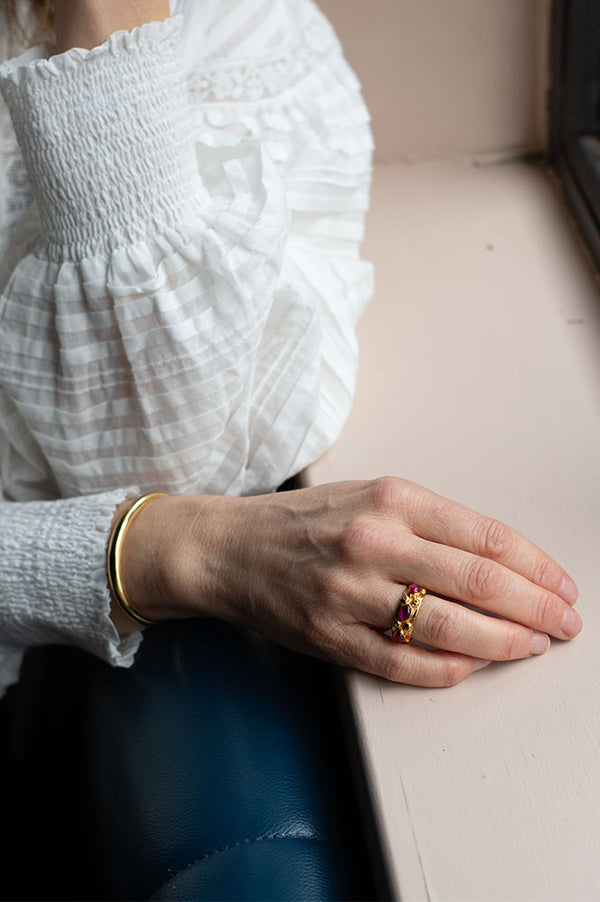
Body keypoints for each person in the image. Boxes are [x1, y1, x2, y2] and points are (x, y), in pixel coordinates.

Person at [0, 0, 583, 701]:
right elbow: (161, 473)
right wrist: (180, 552)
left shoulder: (246, 30)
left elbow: (179, 458)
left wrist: (101, 31)